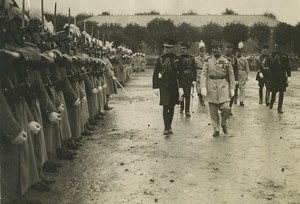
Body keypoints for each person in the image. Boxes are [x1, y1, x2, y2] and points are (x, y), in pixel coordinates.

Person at [200, 41, 235, 137]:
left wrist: (232, 88)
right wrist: (203, 87)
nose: (215, 50)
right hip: (211, 86)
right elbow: (203, 74)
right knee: (213, 110)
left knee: (227, 108)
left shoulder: (227, 60)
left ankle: (223, 122)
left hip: (223, 87)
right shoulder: (208, 60)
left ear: (221, 49)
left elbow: (231, 75)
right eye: (213, 48)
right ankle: (216, 129)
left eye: (217, 48)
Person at [152, 39, 182, 135]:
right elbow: (155, 73)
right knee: (165, 105)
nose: (166, 49)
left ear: (173, 48)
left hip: (173, 85)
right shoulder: (161, 59)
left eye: (169, 48)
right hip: (164, 85)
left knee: (172, 105)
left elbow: (180, 75)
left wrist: (181, 87)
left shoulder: (178, 59)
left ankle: (169, 125)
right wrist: (155, 86)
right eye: (165, 47)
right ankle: (166, 127)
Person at [269, 41, 291, 114]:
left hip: (282, 77)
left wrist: (289, 76)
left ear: (281, 47)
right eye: (275, 47)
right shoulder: (272, 55)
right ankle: (271, 103)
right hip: (274, 76)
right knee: (274, 92)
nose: (276, 48)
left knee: (281, 93)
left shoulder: (285, 56)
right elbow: (270, 66)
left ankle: (279, 108)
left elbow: (288, 67)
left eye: (277, 46)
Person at [179, 42, 197, 117]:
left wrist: (194, 79)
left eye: (184, 49)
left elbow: (194, 69)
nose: (183, 51)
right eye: (182, 49)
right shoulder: (179, 58)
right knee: (181, 94)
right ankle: (182, 108)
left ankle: (187, 110)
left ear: (188, 50)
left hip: (189, 78)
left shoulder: (191, 58)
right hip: (181, 78)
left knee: (188, 94)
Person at [224, 44, 238, 115]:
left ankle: (229, 108)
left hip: (232, 78)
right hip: (224, 78)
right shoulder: (222, 57)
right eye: (227, 47)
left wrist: (236, 79)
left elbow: (236, 69)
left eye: (230, 48)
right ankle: (224, 108)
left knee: (232, 94)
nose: (228, 49)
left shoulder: (233, 58)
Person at [194, 40, 209, 106]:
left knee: (204, 86)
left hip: (205, 74)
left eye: (203, 51)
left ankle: (202, 99)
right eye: (200, 51)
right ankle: (200, 97)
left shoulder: (208, 58)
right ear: (199, 51)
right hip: (198, 73)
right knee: (198, 88)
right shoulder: (196, 59)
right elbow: (194, 68)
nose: (202, 52)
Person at [236, 42, 250, 106]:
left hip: (243, 74)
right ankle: (235, 100)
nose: (239, 53)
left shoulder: (244, 59)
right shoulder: (234, 58)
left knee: (242, 89)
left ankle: (241, 101)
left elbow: (247, 67)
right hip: (236, 74)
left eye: (240, 52)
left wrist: (248, 75)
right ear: (236, 52)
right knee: (235, 87)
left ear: (241, 52)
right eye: (238, 52)